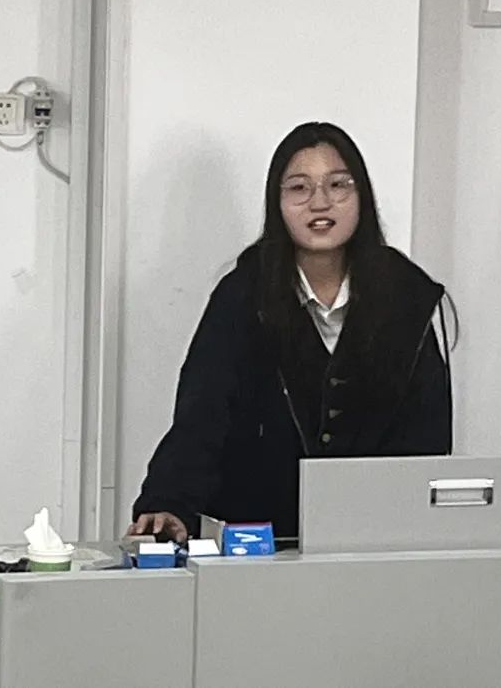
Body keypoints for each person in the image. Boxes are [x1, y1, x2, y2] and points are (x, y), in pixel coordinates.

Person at [128, 122, 453, 544]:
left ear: (362, 196)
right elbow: (202, 415)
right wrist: (168, 501)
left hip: (374, 538)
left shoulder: (406, 296)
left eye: (338, 185)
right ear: (277, 203)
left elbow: (427, 437)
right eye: (299, 188)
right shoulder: (244, 295)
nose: (320, 202)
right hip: (259, 538)